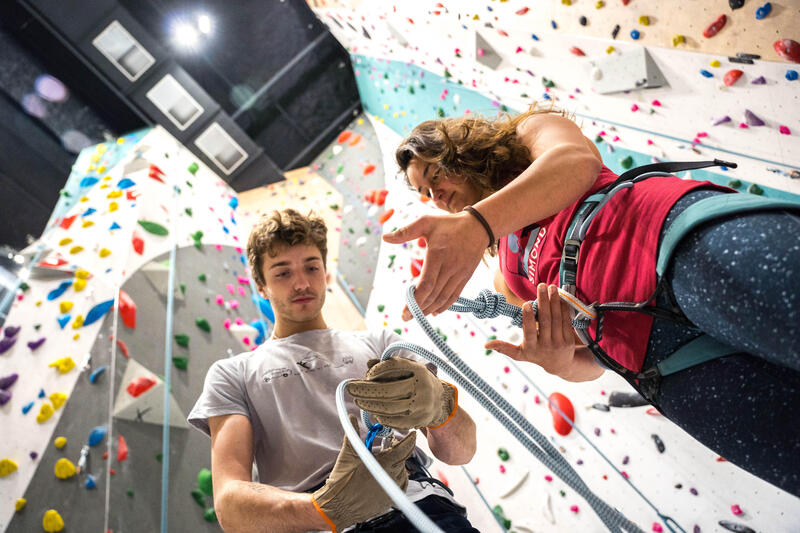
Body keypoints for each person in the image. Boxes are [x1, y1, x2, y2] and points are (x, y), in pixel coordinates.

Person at [386, 106, 800, 496]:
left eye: (434, 173)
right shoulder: (505, 274)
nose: (436, 196)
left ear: (458, 148)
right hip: (663, 366)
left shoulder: (530, 135)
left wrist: (477, 224)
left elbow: (575, 163)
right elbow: (588, 363)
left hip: (674, 248)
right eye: (425, 192)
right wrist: (560, 361)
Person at [188, 209, 479, 533]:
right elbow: (230, 503)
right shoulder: (233, 374)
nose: (301, 283)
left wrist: (440, 407)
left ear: (325, 271)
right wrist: (324, 509)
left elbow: (462, 451)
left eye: (311, 267)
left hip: (423, 508)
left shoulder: (382, 345)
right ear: (261, 285)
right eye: (282, 273)